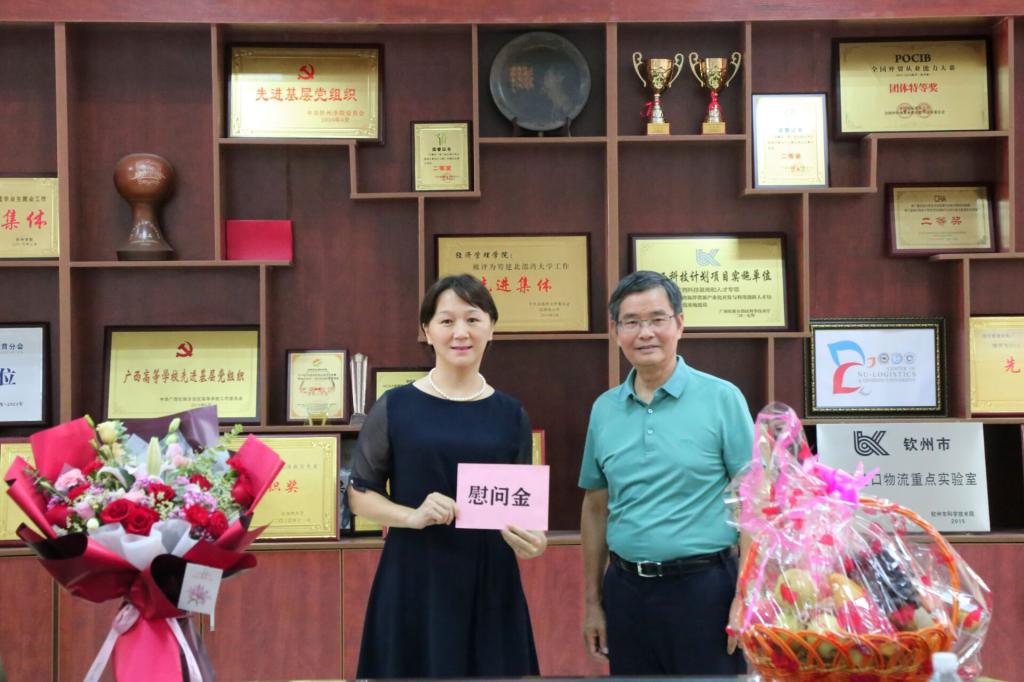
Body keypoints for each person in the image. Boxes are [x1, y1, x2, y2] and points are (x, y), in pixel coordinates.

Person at [348, 274, 547, 678]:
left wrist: (534, 541)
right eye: (446, 321)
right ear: (427, 330)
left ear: (491, 328)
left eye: (473, 319)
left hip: (491, 580)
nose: (460, 332)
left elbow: (522, 505)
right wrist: (411, 516)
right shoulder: (396, 405)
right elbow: (360, 493)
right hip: (415, 574)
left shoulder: (511, 414)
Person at [578, 270, 753, 676]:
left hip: (705, 591)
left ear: (679, 324)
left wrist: (746, 596)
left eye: (657, 319)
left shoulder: (722, 398)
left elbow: (754, 502)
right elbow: (596, 506)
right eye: (631, 322)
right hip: (626, 592)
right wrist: (592, 603)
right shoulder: (604, 409)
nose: (645, 333)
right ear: (616, 331)